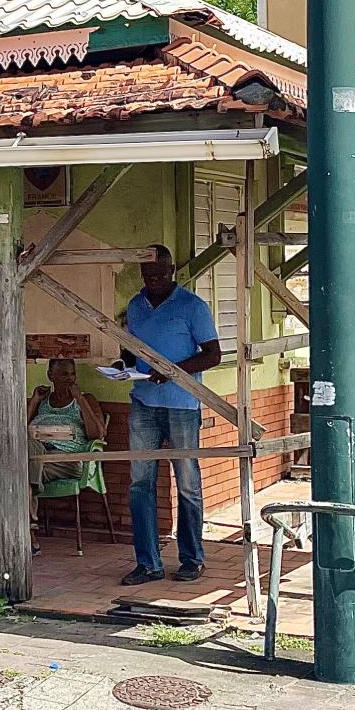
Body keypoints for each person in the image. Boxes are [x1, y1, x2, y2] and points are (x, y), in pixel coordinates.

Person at [119, 243, 222, 586]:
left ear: (172, 270)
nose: (155, 281)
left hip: (182, 404)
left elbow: (212, 355)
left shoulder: (192, 306)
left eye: (161, 274)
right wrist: (124, 367)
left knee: (188, 482)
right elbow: (131, 351)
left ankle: (192, 559)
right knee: (140, 483)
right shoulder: (135, 306)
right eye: (148, 276)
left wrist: (174, 371)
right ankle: (148, 563)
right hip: (143, 401)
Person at [26, 358, 108, 527]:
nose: (70, 379)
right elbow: (17, 431)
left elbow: (97, 434)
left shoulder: (86, 399)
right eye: (64, 374)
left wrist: (79, 398)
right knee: (26, 448)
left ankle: (29, 528)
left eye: (72, 374)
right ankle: (29, 528)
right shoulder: (43, 401)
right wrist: (34, 401)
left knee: (19, 472)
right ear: (50, 375)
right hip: (39, 454)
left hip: (67, 458)